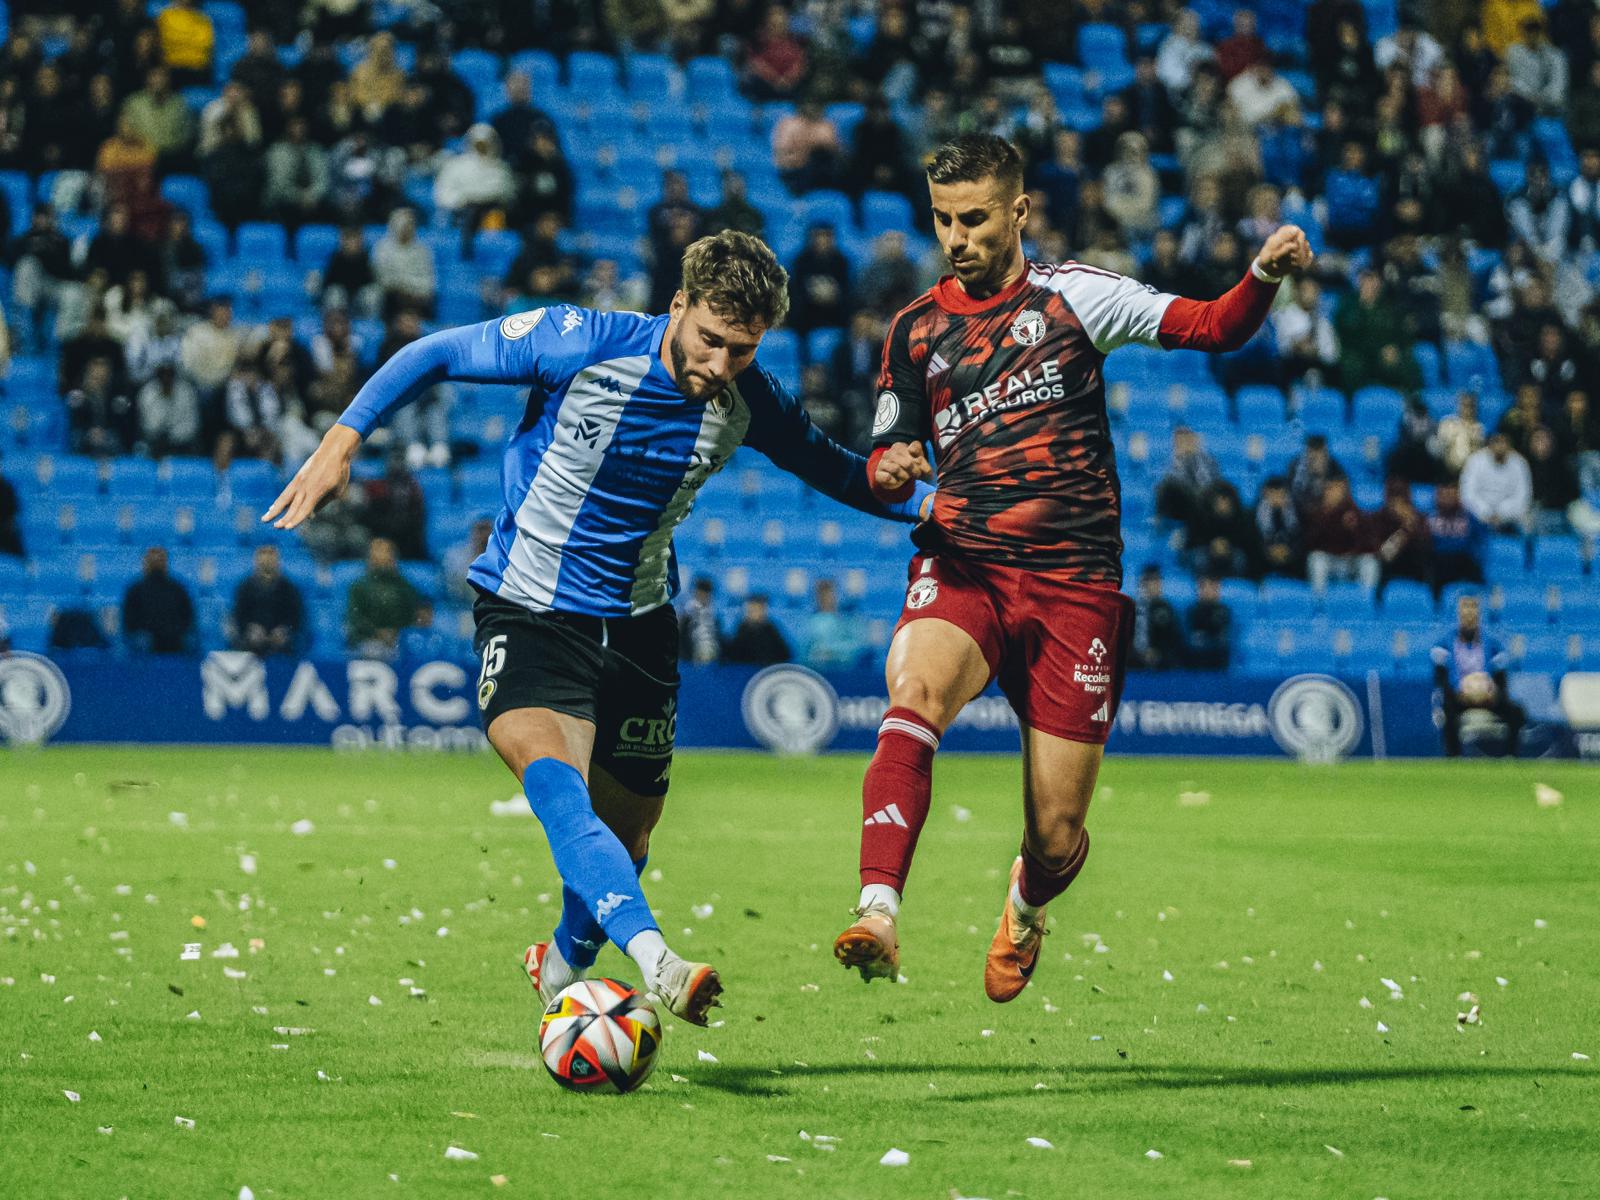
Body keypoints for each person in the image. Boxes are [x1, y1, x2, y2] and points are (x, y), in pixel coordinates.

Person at [262, 231, 935, 1029]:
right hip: (530, 611)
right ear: (677, 306)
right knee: (559, 790)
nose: (720, 365)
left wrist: (919, 499)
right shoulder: (580, 342)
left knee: (631, 832)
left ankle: (563, 960)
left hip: (644, 628)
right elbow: (435, 351)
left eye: (742, 351)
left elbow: (835, 469)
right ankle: (658, 961)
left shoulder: (748, 402)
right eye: (710, 340)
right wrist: (344, 441)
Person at [833, 134, 1312, 998]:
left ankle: (1026, 901)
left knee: (1055, 837)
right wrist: (890, 467)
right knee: (915, 694)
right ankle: (877, 911)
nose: (955, 236)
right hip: (966, 565)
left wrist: (1264, 275)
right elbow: (888, 453)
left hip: (1074, 587)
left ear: (1019, 211)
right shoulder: (913, 329)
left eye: (974, 217)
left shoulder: (1075, 299)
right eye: (942, 219)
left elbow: (1213, 325)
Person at [1432, 594, 1526, 757]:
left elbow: (1501, 679)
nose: (1469, 613)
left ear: (1479, 613)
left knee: (1516, 712)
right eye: (1465, 608)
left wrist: (1492, 692)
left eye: (1473, 608)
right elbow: (1441, 679)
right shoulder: (1445, 644)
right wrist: (1461, 692)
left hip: (1487, 696)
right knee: (1448, 710)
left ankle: (1510, 756)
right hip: (1459, 697)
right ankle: (1453, 757)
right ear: (1459, 613)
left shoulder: (1492, 644)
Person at [345, 536, 423, 658]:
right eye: (378, 551)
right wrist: (377, 633)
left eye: (387, 552)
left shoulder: (405, 587)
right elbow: (355, 618)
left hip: (400, 640)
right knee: (373, 651)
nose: (383, 556)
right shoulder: (359, 587)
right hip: (368, 641)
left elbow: (414, 614)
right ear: (370, 557)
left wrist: (396, 633)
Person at [230, 544, 305, 656]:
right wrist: (249, 628)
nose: (267, 566)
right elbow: (238, 615)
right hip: (252, 639)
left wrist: (284, 630)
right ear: (256, 564)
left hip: (282, 640)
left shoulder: (289, 588)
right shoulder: (245, 588)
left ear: (277, 563)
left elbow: (296, 617)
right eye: (263, 564)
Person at [122, 546, 195, 654]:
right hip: (170, 646)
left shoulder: (135, 590)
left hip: (155, 648)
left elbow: (129, 623)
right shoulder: (178, 589)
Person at [1460, 431, 1533, 534]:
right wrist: (1486, 512)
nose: (1500, 446)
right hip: (1479, 515)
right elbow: (1467, 494)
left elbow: (1523, 496)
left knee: (1527, 522)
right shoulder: (1475, 461)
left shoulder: (1520, 463)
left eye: (1504, 442)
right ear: (1489, 445)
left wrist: (1502, 513)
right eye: (1496, 442)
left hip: (1511, 515)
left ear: (1510, 445)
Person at [800, 578, 865, 670]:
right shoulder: (811, 623)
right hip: (818, 672)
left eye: (830, 594)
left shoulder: (848, 621)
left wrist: (832, 652)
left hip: (844, 671)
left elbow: (856, 645)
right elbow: (803, 652)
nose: (827, 599)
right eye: (823, 596)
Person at [1130, 563, 1185, 670]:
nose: (1156, 585)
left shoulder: (1167, 608)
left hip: (1163, 659)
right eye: (1151, 581)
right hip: (1135, 660)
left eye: (1158, 581)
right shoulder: (1132, 608)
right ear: (1142, 584)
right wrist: (1141, 653)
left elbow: (1175, 638)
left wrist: (1158, 653)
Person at [723, 594, 792, 664]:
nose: (756, 613)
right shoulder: (741, 630)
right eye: (752, 609)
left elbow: (784, 655)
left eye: (759, 609)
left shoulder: (771, 631)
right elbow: (732, 656)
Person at [1184, 575, 1232, 670]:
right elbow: (1193, 632)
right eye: (1203, 587)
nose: (1207, 590)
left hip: (1217, 651)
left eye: (1211, 587)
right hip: (1197, 652)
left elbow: (1223, 632)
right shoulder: (1193, 610)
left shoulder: (1223, 610)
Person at [677, 575, 722, 665]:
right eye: (700, 593)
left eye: (706, 594)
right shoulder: (686, 616)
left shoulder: (714, 618)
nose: (703, 597)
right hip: (689, 664)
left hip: (711, 665)